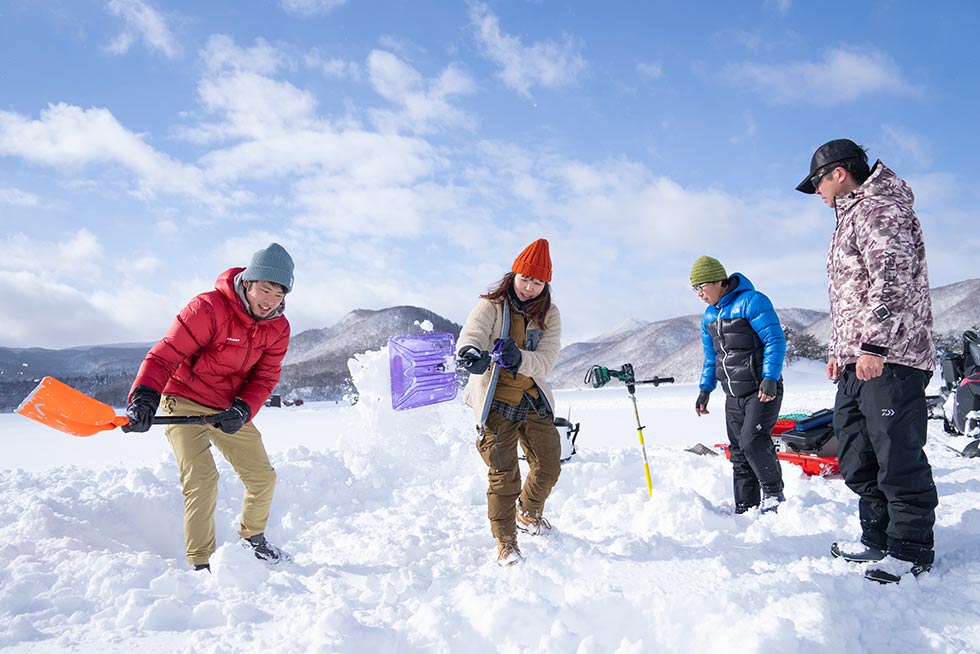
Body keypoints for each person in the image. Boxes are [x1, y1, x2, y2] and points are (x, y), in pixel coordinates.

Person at [797, 138, 938, 584]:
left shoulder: (882, 210)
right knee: (857, 454)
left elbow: (890, 281)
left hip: (893, 358)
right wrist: (842, 352)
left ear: (839, 173)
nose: (817, 192)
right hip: (859, 362)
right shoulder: (851, 217)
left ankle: (910, 549)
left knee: (897, 456)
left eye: (817, 182)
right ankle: (877, 537)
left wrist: (873, 346)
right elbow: (851, 297)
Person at [123, 243, 295, 572]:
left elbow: (266, 377)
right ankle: (201, 563)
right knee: (202, 479)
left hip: (228, 408)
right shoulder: (208, 307)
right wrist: (144, 397)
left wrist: (244, 409)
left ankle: (253, 540)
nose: (270, 300)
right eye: (265, 289)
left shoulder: (278, 328)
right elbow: (165, 355)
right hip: (183, 398)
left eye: (278, 293)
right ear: (248, 282)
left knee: (262, 477)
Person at [457, 238, 562, 567]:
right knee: (504, 474)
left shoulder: (550, 314)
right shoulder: (491, 305)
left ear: (546, 285)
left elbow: (545, 362)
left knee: (548, 465)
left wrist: (520, 359)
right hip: (495, 402)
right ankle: (506, 542)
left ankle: (528, 513)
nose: (529, 288)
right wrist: (471, 353)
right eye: (525, 279)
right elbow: (472, 334)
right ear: (513, 275)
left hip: (530, 400)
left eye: (537, 282)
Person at [691, 255, 787, 514]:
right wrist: (704, 390)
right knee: (738, 451)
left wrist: (769, 378)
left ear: (719, 281)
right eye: (695, 289)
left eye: (702, 286)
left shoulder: (752, 301)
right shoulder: (709, 316)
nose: (699, 294)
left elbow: (774, 340)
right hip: (733, 394)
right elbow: (712, 358)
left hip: (761, 388)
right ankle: (745, 506)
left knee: (753, 440)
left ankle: (774, 494)